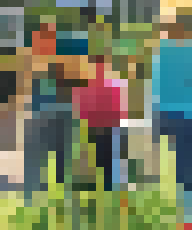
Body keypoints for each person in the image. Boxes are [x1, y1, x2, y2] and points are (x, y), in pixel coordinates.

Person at [150, 17, 192, 220]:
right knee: (185, 158)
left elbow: (155, 86)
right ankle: (190, 206)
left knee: (162, 157)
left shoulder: (160, 54)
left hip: (164, 112)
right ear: (185, 32)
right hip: (185, 111)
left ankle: (154, 199)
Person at [23, 23, 79, 197]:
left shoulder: (63, 61)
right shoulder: (31, 60)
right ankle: (35, 193)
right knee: (37, 155)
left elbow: (75, 82)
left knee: (63, 156)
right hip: (41, 113)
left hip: (61, 112)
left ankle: (63, 192)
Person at [78, 51, 129, 193]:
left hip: (102, 125)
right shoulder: (112, 81)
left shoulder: (92, 83)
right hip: (105, 125)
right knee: (108, 157)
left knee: (104, 157)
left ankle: (108, 185)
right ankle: (111, 185)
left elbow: (83, 105)